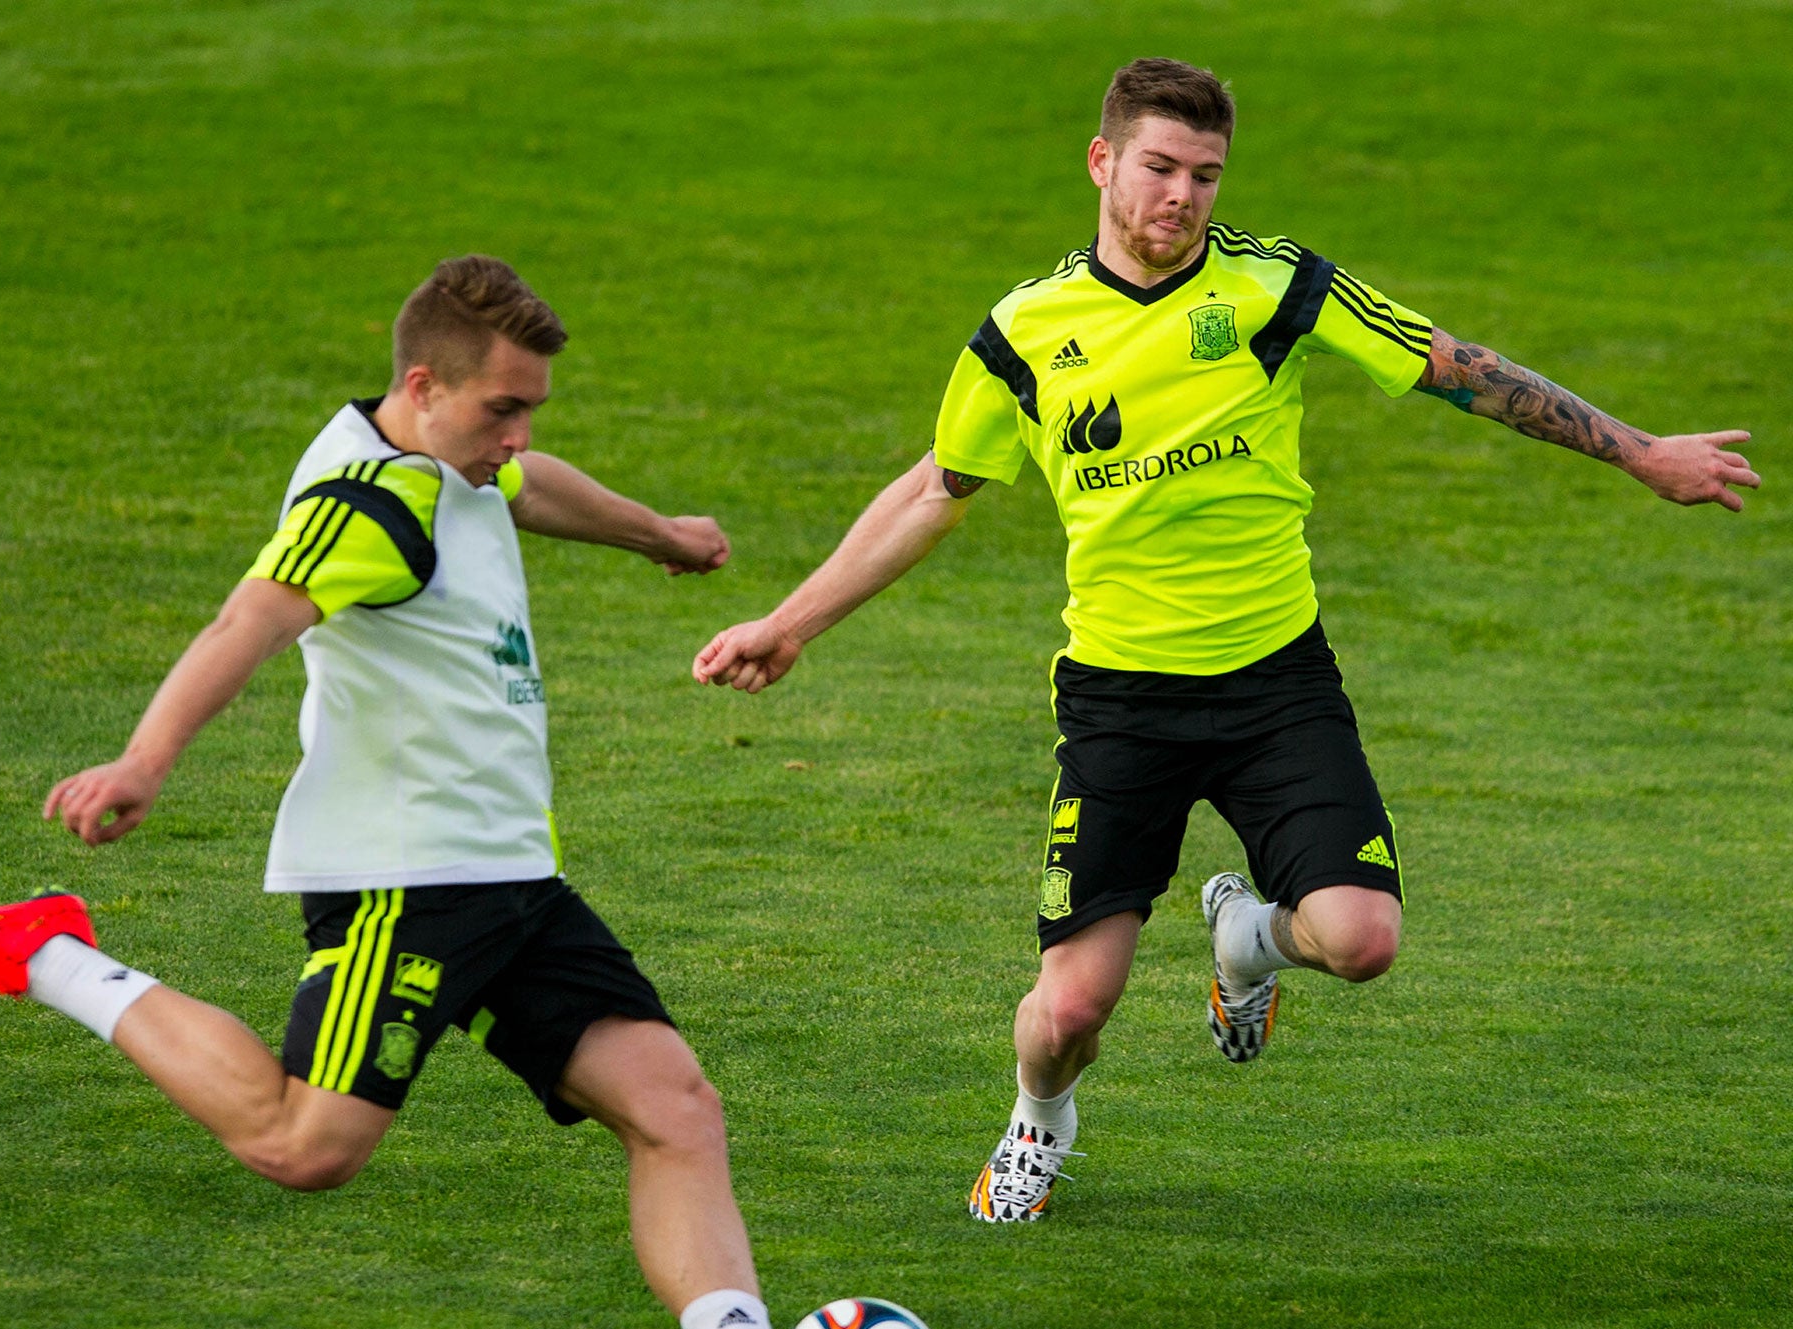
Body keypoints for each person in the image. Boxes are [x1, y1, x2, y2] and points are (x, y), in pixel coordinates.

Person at [693, 59, 1760, 1225]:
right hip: (1118, 708)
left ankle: (1243, 939)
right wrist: (787, 624)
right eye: (1158, 167)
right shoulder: (1024, 333)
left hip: (1274, 689)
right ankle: (1038, 1122)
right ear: (1101, 163)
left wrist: (1639, 451)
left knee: (1360, 940)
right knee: (1067, 1016)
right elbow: (932, 489)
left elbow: (1458, 369)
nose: (1181, 197)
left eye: (1204, 174)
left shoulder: (1277, 288)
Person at [0, 255, 799, 1329]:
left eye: (531, 409)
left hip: (510, 875)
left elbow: (520, 487)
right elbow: (247, 620)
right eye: (499, 409)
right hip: (402, 882)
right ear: (422, 385)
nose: (515, 436)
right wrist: (142, 765)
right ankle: (46, 953)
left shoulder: (454, 460)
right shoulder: (365, 504)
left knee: (675, 1106)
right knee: (302, 1148)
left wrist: (657, 534)